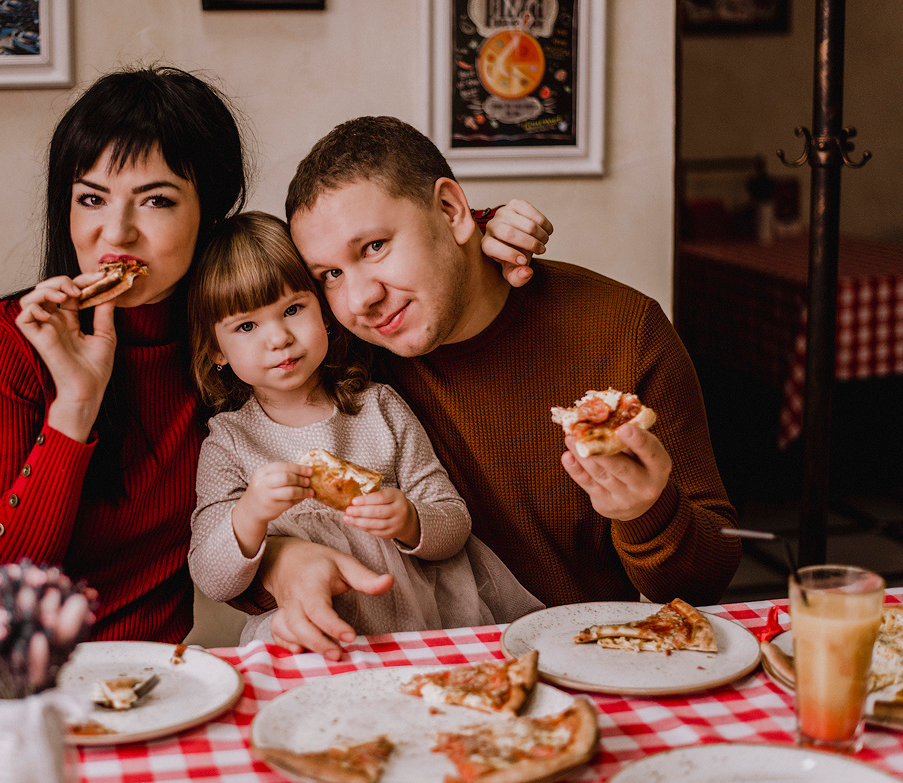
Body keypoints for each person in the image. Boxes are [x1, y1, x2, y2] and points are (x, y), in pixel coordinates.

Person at [0, 66, 555, 671]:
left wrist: (481, 229)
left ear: (208, 214)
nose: (117, 233)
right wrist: (75, 405)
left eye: (156, 201)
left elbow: (364, 283)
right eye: (91, 198)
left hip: (147, 681)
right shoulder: (15, 337)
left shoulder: (237, 337)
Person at [250, 116, 743, 660]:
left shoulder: (623, 332)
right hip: (386, 666)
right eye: (329, 275)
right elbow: (218, 512)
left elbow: (709, 581)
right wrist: (280, 562)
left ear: (450, 210)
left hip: (577, 663)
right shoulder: (335, 355)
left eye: (373, 247)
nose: (358, 298)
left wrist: (647, 511)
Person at [185, 212, 543, 644]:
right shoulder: (229, 442)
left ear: (326, 314)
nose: (278, 337)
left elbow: (453, 524)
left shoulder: (378, 407)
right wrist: (251, 513)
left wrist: (410, 519)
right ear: (215, 351)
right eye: (246, 326)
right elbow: (211, 577)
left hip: (421, 630)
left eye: (293, 309)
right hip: (308, 642)